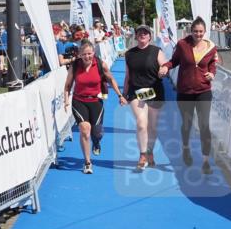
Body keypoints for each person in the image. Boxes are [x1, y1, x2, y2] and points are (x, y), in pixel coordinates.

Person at [160, 17, 218, 174]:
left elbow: (212, 64)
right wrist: (165, 67)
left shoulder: (211, 47)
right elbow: (174, 61)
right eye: (195, 31)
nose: (198, 34)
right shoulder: (182, 45)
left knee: (204, 125)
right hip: (185, 91)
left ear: (205, 32)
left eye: (200, 32)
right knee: (187, 124)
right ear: (190, 31)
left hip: (204, 91)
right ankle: (185, 148)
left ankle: (206, 161)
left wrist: (212, 74)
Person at [64, 39, 125, 174]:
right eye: (84, 54)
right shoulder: (75, 66)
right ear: (80, 54)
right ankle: (87, 162)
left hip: (96, 101)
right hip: (79, 101)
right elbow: (67, 85)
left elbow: (111, 79)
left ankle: (96, 142)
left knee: (97, 132)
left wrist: (120, 95)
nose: (87, 57)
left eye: (89, 54)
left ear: (93, 53)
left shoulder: (100, 64)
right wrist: (66, 100)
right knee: (85, 129)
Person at [123, 25, 168, 170]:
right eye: (139, 33)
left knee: (152, 127)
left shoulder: (156, 51)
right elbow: (128, 76)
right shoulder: (129, 54)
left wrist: (164, 69)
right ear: (136, 36)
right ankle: (142, 155)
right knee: (142, 123)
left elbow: (165, 65)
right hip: (136, 92)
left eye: (145, 33)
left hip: (155, 91)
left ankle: (150, 152)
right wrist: (124, 94)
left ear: (150, 36)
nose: (142, 35)